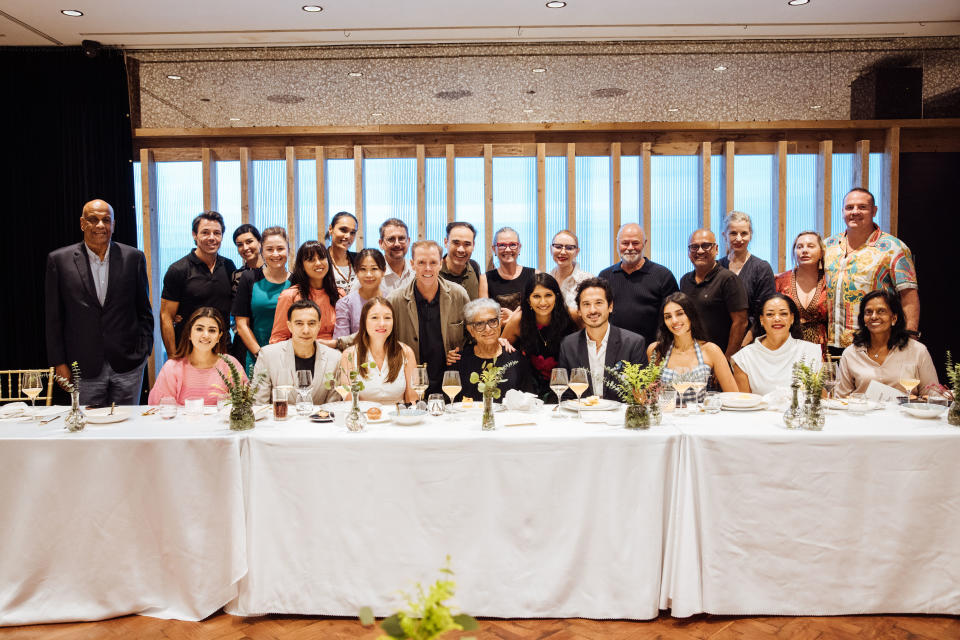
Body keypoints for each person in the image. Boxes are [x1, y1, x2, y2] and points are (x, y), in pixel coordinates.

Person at [45, 199, 154, 405]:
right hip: (82, 365)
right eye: (93, 220)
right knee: (89, 431)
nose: (100, 225)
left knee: (127, 428)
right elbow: (53, 318)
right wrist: (58, 363)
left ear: (113, 224)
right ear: (82, 223)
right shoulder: (59, 260)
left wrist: (144, 351)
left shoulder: (134, 258)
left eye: (106, 220)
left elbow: (144, 311)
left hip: (128, 364)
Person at [824, 187, 919, 352]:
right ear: (842, 212)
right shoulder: (828, 246)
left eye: (862, 207)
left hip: (876, 342)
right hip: (831, 344)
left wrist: (909, 339)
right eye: (849, 207)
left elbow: (908, 296)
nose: (855, 212)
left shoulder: (894, 248)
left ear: (874, 211)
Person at [387, 240, 469, 396]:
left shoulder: (459, 294)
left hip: (450, 380)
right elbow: (377, 333)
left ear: (441, 264)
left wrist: (461, 352)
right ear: (412, 264)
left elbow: (473, 334)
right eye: (421, 262)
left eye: (433, 262)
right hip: (412, 383)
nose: (428, 268)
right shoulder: (395, 300)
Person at [160, 211, 237, 356]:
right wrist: (172, 357)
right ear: (194, 235)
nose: (212, 238)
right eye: (205, 232)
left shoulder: (228, 266)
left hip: (222, 348)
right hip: (188, 349)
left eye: (217, 233)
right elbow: (166, 317)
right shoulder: (178, 269)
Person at [835, 290, 938, 397]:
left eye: (881, 311)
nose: (873, 316)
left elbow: (933, 394)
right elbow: (841, 397)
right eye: (868, 312)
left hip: (904, 413)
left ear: (894, 318)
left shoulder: (917, 351)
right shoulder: (851, 354)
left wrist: (914, 403)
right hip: (863, 413)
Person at [557, 278, 648, 401]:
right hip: (582, 416)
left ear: (610, 306)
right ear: (579, 310)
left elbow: (640, 392)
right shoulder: (568, 345)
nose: (593, 310)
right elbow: (565, 394)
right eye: (586, 304)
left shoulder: (633, 343)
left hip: (619, 417)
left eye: (599, 303)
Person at [598, 223, 678, 345]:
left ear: (644, 243)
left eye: (635, 243)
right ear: (617, 243)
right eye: (625, 243)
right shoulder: (605, 276)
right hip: (613, 350)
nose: (630, 248)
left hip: (653, 351)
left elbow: (674, 317)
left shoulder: (663, 276)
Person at [500, 273, 578, 400]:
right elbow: (501, 346)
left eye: (548, 295)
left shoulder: (572, 316)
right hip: (530, 387)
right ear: (528, 300)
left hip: (568, 385)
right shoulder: (518, 320)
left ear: (556, 297)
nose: (543, 302)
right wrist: (503, 344)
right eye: (536, 296)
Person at [647, 293, 738, 398]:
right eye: (668, 317)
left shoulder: (711, 350)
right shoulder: (655, 350)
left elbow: (734, 396)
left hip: (701, 413)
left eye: (680, 314)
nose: (674, 321)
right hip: (667, 413)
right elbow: (653, 396)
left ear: (691, 315)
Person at [148, 307, 245, 405]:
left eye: (212, 330)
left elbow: (244, 404)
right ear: (189, 333)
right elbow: (160, 408)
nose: (205, 335)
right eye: (199, 329)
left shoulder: (230, 365)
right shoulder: (172, 367)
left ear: (219, 336)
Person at [731, 294, 823, 396]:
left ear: (792, 318)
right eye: (770, 314)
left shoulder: (811, 351)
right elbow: (743, 405)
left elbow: (822, 401)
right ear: (761, 319)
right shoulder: (744, 358)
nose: (777, 318)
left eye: (783, 314)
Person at [253, 299, 341, 406]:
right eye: (299, 323)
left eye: (311, 323)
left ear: (319, 326)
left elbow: (334, 406)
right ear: (289, 326)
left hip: (320, 421)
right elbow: (259, 404)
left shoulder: (335, 358)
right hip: (279, 420)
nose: (306, 330)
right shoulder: (268, 355)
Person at [679, 229, 748, 359]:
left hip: (719, 356)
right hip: (691, 356)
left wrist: (727, 359)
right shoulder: (685, 280)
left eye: (706, 246)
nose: (699, 251)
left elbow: (740, 322)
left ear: (716, 249)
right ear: (689, 252)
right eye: (694, 247)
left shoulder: (728, 279)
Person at [232, 226, 291, 371]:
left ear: (288, 250)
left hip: (290, 357)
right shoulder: (249, 278)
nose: (275, 254)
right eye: (269, 249)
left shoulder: (298, 281)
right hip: (256, 356)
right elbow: (241, 324)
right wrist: (261, 355)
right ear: (262, 251)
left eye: (280, 248)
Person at [339, 297, 418, 404]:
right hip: (365, 418)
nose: (382, 323)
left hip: (398, 417)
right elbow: (349, 403)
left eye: (387, 318)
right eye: (374, 317)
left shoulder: (406, 352)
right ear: (364, 321)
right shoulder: (349, 355)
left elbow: (412, 399)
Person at [717, 211, 776, 342]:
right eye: (733, 233)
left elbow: (765, 311)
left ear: (751, 235)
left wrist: (743, 344)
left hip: (751, 342)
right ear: (724, 236)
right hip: (717, 341)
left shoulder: (762, 268)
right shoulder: (717, 267)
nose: (739, 239)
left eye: (744, 233)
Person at [456, 298, 527, 399]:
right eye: (479, 324)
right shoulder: (459, 361)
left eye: (493, 321)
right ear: (471, 330)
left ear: (500, 323)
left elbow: (528, 401)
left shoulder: (517, 359)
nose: (488, 329)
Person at [270, 241, 339, 343]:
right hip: (300, 356)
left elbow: (346, 337)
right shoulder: (290, 296)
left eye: (322, 258)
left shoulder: (339, 294)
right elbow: (277, 339)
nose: (318, 263)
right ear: (302, 266)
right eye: (311, 260)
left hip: (336, 355)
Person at [775, 231, 829, 354]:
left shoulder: (830, 281)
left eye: (810, 246)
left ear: (821, 252)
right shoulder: (781, 281)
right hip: (787, 346)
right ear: (794, 252)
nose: (804, 250)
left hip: (822, 349)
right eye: (799, 247)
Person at [486, 226, 536, 320]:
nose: (508, 249)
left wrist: (514, 318)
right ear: (494, 249)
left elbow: (540, 310)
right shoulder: (485, 279)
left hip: (529, 333)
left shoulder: (534, 275)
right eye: (502, 245)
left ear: (519, 247)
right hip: (498, 333)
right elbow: (485, 318)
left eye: (513, 244)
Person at [334, 248, 385, 338]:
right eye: (363, 269)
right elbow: (340, 341)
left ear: (383, 271)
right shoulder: (345, 304)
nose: (368, 274)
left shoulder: (393, 300)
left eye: (374, 268)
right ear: (356, 271)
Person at [439, 221, 488, 300]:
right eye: (456, 243)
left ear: (473, 245)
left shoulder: (474, 267)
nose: (461, 249)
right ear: (446, 242)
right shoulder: (434, 272)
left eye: (467, 244)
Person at [548, 230, 592, 310]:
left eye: (569, 248)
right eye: (558, 247)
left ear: (577, 252)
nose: (563, 252)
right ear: (551, 249)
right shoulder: (546, 279)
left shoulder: (588, 280)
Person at [375, 218, 414, 296]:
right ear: (381, 243)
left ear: (408, 241)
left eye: (401, 238)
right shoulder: (369, 273)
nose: (397, 244)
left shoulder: (416, 272)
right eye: (391, 239)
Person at [326, 211, 359, 295]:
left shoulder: (359, 259)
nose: (348, 236)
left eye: (352, 232)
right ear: (330, 229)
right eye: (343, 230)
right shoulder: (320, 261)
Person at [231, 223, 263, 295]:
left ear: (260, 242)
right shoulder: (237, 275)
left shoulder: (273, 270)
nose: (245, 248)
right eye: (240, 245)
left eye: (249, 242)